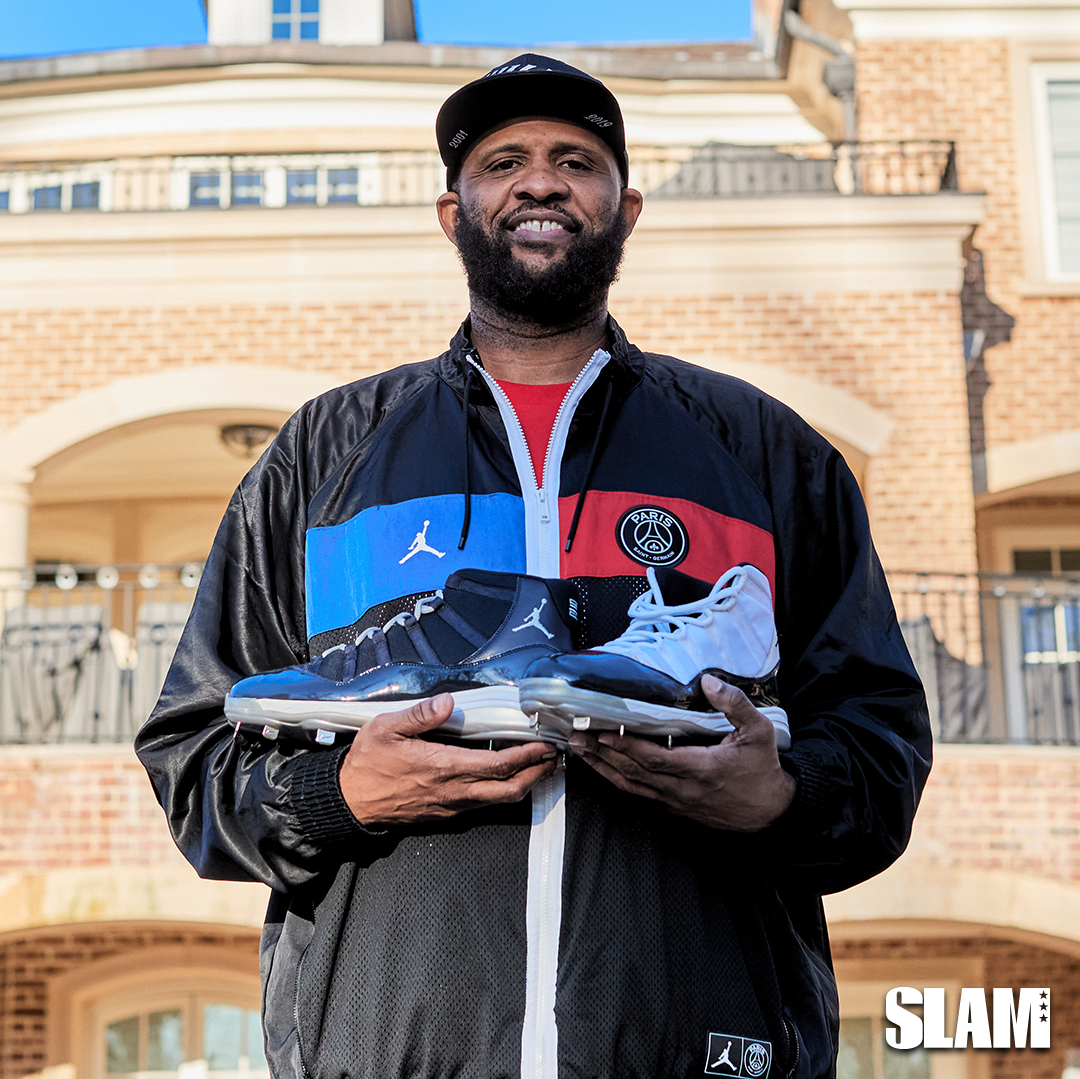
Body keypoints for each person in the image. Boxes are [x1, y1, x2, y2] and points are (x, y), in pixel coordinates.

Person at [136, 54, 932, 1079]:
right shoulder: (324, 455)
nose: (541, 180)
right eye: (504, 160)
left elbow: (882, 749)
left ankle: (665, 665)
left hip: (699, 1048)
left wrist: (781, 793)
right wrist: (341, 793)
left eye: (578, 159)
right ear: (452, 211)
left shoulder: (767, 453)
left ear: (626, 207)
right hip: (392, 1053)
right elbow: (193, 757)